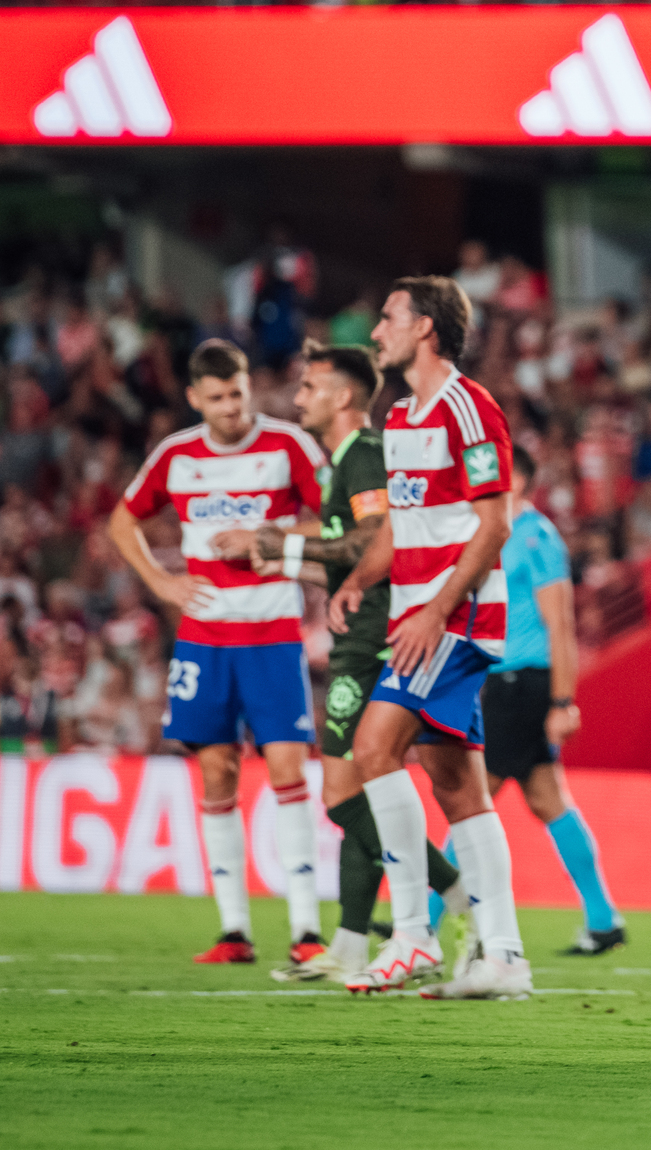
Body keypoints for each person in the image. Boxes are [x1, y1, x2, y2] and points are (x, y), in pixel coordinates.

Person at [212, 342, 469, 984]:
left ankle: (460, 895)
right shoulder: (343, 463)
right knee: (354, 791)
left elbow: (372, 540)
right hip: (361, 629)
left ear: (343, 396)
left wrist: (274, 539)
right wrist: (287, 560)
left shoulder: (364, 455)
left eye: (309, 387)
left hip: (374, 635)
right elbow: (349, 552)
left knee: (341, 794)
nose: (297, 398)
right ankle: (353, 944)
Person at [329, 275, 529, 999]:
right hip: (422, 614)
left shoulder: (467, 408)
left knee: (374, 747)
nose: (376, 331)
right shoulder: (405, 417)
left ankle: (412, 935)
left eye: (387, 318)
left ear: (425, 329)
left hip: (458, 615)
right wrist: (359, 581)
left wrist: (438, 609)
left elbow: (494, 522)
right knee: (457, 785)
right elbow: (401, 526)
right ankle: (504, 956)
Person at [107, 339, 328, 965]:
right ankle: (234, 930)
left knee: (287, 769)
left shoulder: (288, 446)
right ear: (194, 399)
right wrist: (163, 583)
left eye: (238, 393)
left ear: (248, 386)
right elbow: (122, 524)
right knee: (217, 772)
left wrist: (271, 533)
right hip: (204, 638)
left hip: (273, 633)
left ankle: (306, 931)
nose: (232, 408)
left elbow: (337, 518)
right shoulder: (176, 456)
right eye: (219, 398)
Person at [463, 444, 623, 956]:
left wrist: (561, 701)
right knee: (547, 799)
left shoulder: (535, 536)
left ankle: (425, 918)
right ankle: (602, 919)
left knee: (469, 797)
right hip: (506, 682)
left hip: (522, 685)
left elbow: (561, 625)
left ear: (514, 482)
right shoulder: (499, 534)